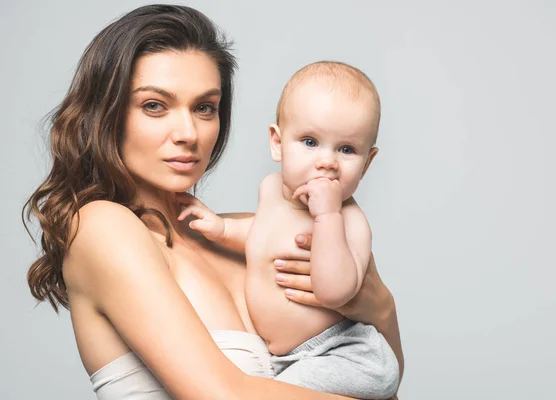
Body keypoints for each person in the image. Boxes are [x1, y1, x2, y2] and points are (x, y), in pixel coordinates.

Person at [22, 4, 404, 399]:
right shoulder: (102, 228)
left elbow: (379, 377)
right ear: (107, 114)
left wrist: (381, 309)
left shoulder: (250, 231)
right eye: (155, 105)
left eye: (204, 107)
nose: (188, 132)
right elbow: (224, 395)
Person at [177, 61, 399, 398]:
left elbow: (336, 292)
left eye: (347, 149)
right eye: (310, 142)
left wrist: (327, 217)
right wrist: (223, 229)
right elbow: (263, 236)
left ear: (367, 164)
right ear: (277, 143)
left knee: (265, 393)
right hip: (292, 359)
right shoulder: (270, 190)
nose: (327, 161)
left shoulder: (349, 221)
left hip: (344, 353)